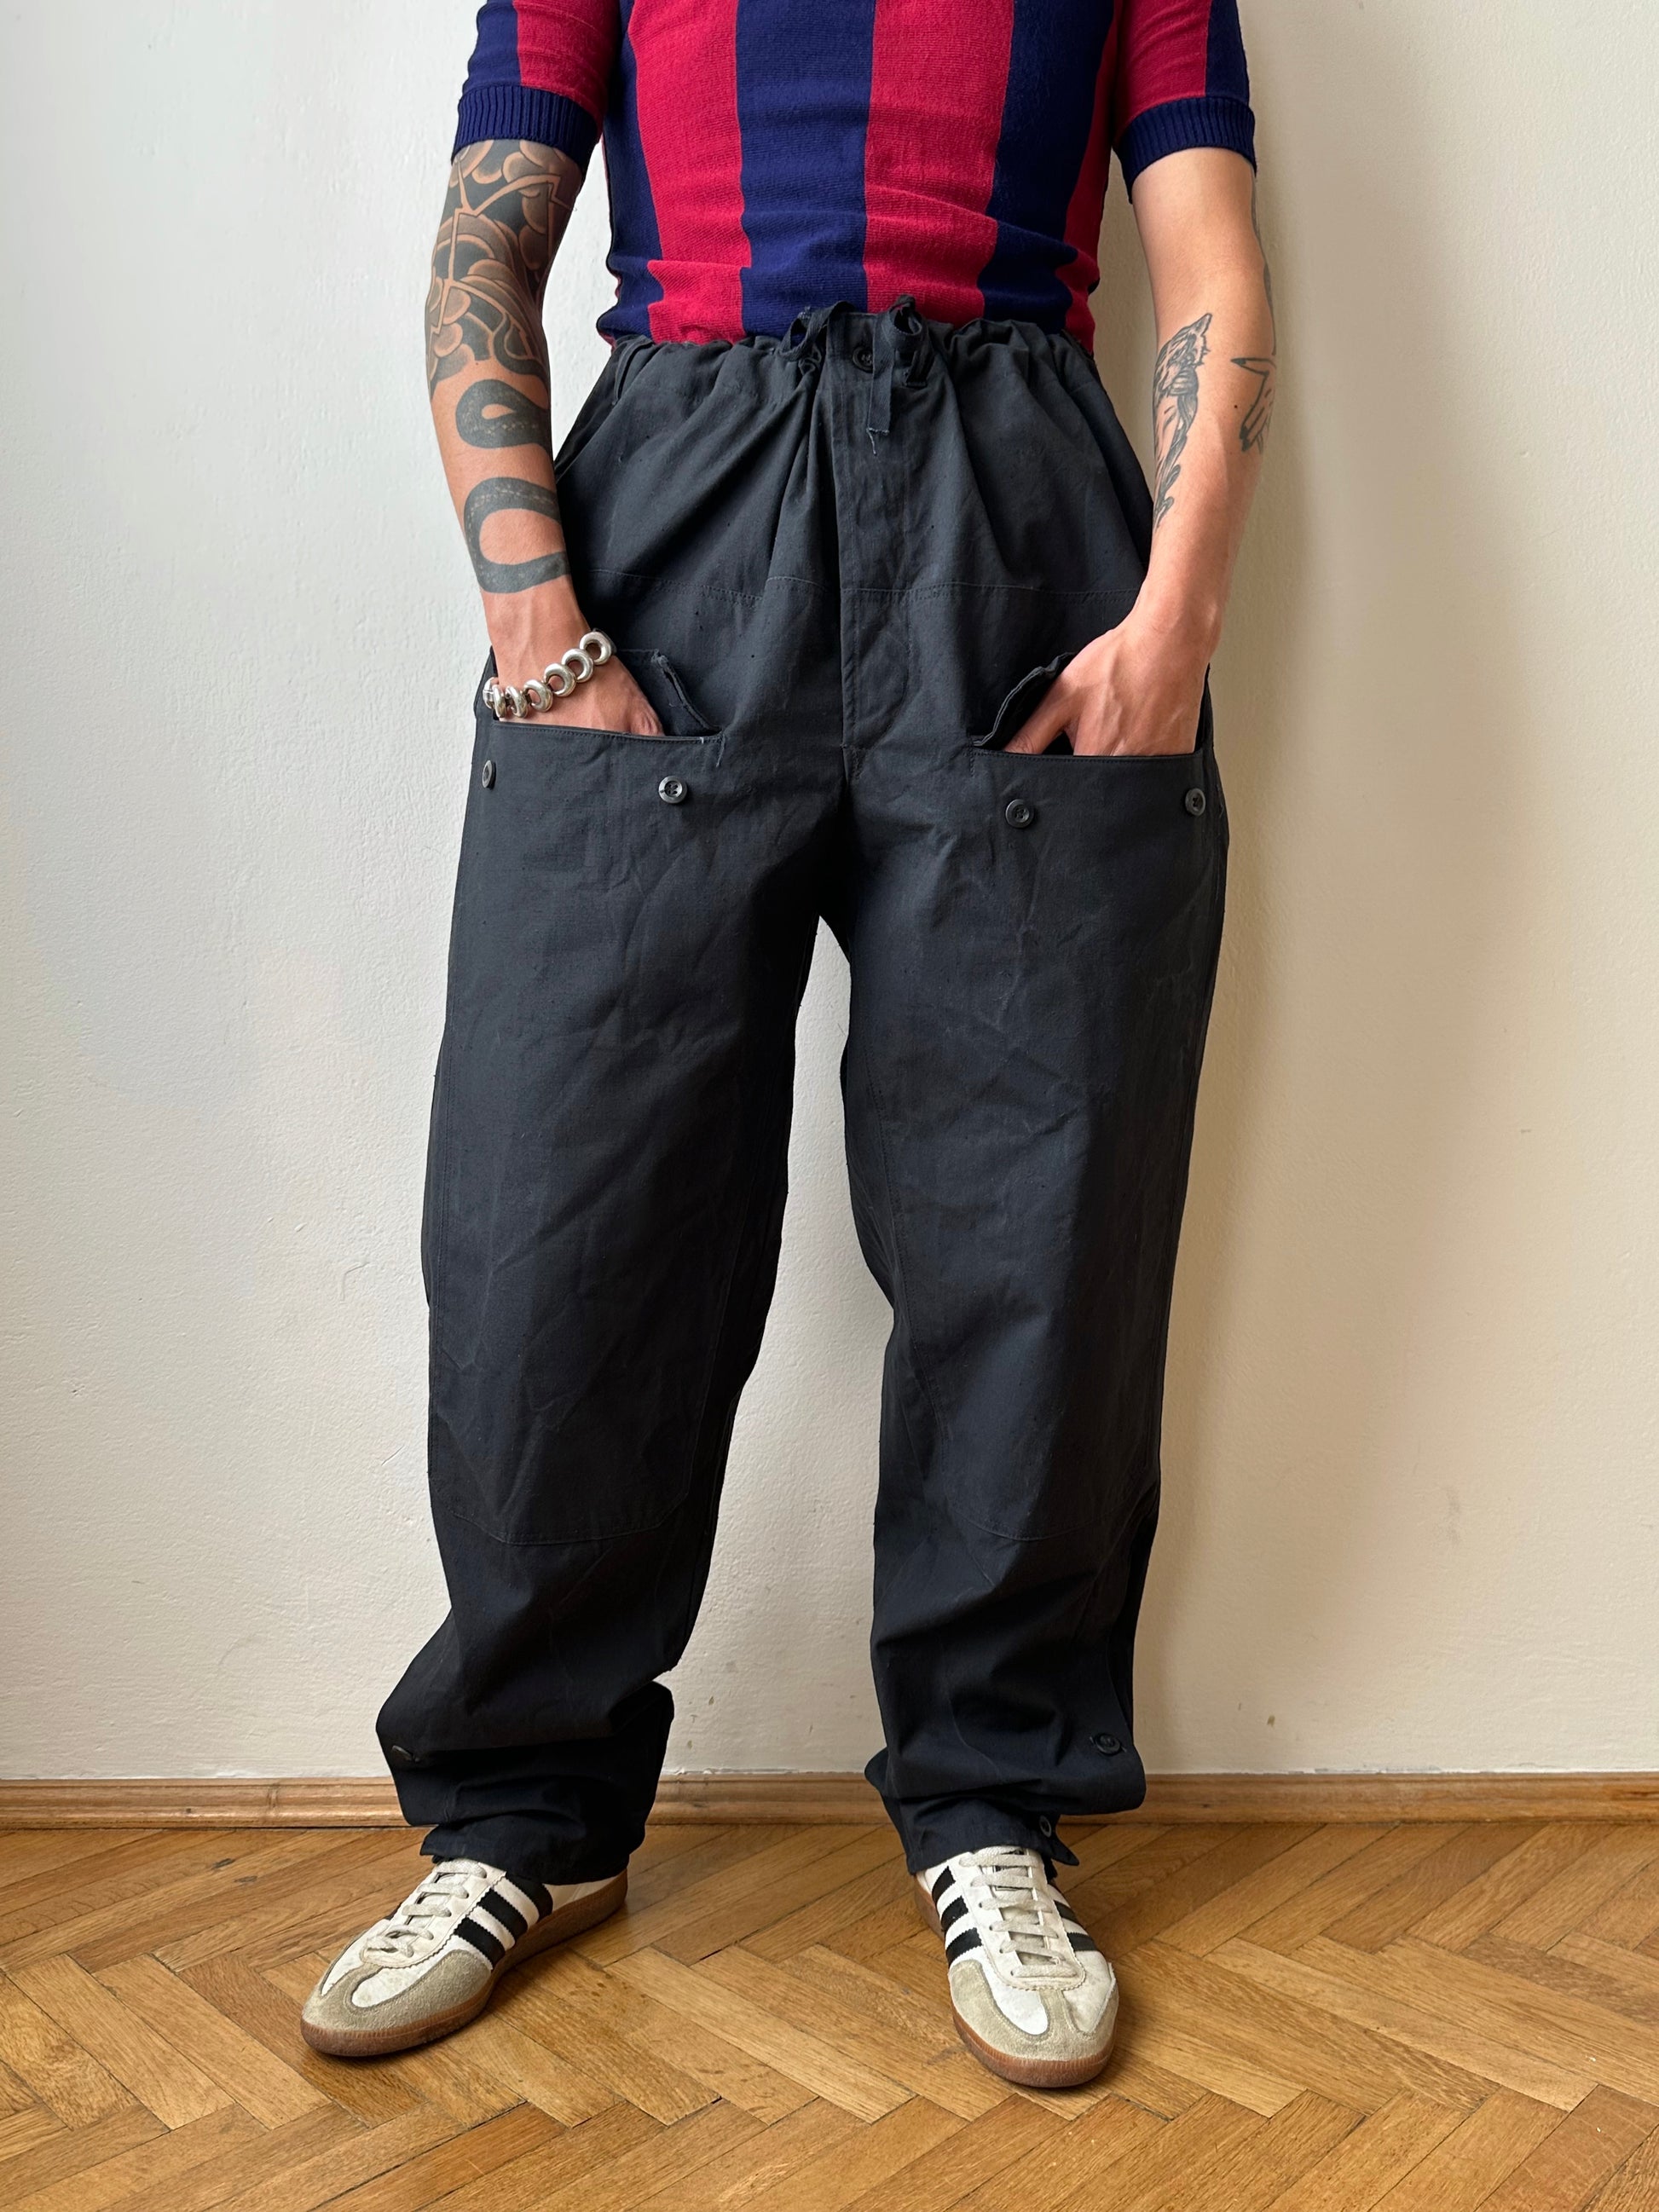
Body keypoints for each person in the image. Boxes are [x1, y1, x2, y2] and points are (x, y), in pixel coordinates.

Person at [302, 0, 1274, 2089]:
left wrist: (1177, 624)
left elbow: (1206, 246)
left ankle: (992, 1799)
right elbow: (486, 242)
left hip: (1023, 535)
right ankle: (520, 1814)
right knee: (562, 1214)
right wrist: (533, 622)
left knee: (1039, 1219)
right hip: (668, 534)